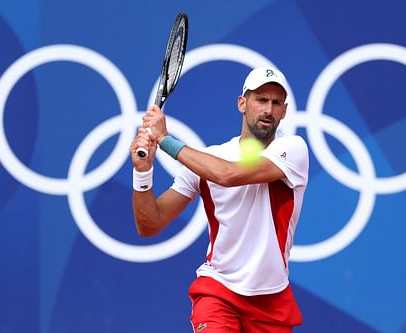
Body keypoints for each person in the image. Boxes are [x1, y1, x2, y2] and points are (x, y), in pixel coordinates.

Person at [130, 66, 309, 332]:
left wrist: (165, 140)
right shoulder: (206, 160)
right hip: (218, 292)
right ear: (242, 103)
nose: (268, 110)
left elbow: (227, 174)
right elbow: (150, 224)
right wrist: (142, 173)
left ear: (284, 110)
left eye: (275, 103)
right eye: (261, 100)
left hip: (271, 300)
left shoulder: (293, 150)